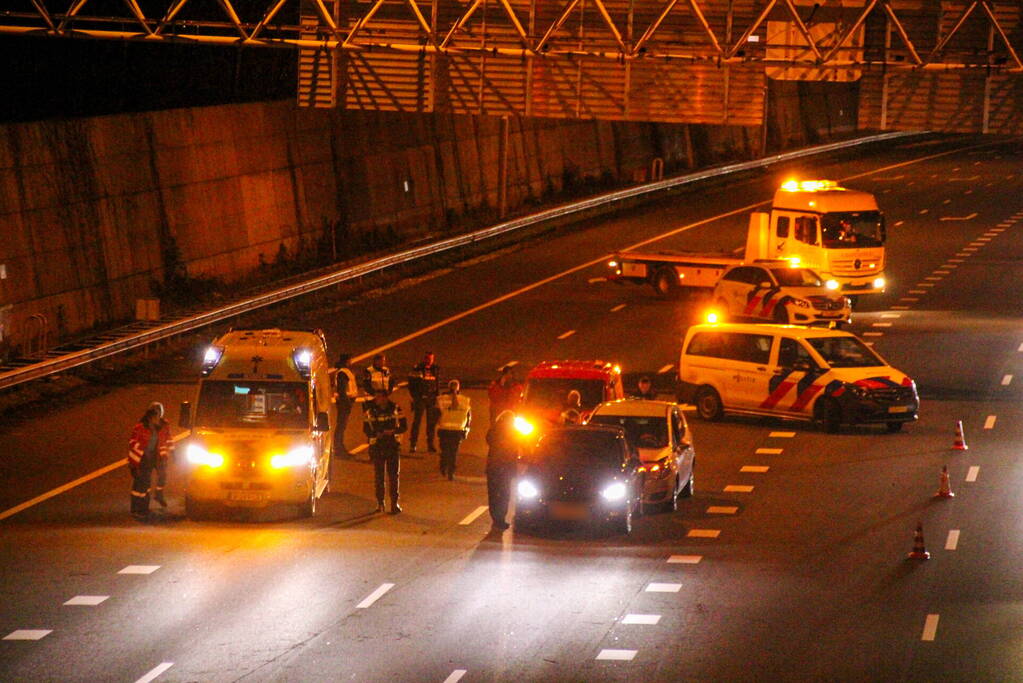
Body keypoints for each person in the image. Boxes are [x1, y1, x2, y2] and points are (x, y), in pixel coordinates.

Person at [363, 389, 407, 514]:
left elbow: (404, 426)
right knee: (379, 477)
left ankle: (394, 504)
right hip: (378, 446)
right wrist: (376, 434)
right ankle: (380, 503)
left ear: (385, 398)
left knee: (393, 476)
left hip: (393, 445)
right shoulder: (370, 411)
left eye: (379, 397)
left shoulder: (395, 409)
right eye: (376, 397)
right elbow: (366, 428)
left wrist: (393, 432)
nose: (377, 400)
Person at [127, 402, 173, 520]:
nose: (157, 418)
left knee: (149, 483)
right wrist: (133, 465)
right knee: (140, 486)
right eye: (155, 416)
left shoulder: (162, 426)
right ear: (150, 416)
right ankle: (136, 509)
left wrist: (172, 452)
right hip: (142, 460)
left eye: (159, 415)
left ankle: (145, 507)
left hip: (155, 458)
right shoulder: (140, 428)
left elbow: (167, 439)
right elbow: (133, 445)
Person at [486, 411, 520, 530]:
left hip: (494, 467)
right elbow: (517, 447)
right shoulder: (512, 432)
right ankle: (500, 518)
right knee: (504, 494)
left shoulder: (494, 430)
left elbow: (489, 441)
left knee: (494, 493)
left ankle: (497, 518)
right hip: (505, 468)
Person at [436, 379, 471, 480]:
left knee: (445, 451)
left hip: (445, 429)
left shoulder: (441, 399)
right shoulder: (464, 400)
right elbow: (468, 416)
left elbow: (435, 414)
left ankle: (444, 467)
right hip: (457, 429)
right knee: (453, 452)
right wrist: (466, 429)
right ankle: (450, 471)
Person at [407, 351, 440, 453]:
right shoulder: (417, 368)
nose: (429, 361)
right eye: (427, 358)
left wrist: (437, 397)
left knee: (431, 423)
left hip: (431, 398)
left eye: (431, 359)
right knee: (417, 422)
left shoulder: (435, 369)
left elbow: (437, 383)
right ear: (424, 359)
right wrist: (414, 397)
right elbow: (411, 384)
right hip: (420, 398)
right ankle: (413, 444)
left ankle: (430, 444)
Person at [330, 353, 358, 458]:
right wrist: (347, 403)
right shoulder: (343, 372)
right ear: (347, 361)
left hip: (345, 401)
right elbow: (342, 390)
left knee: (342, 426)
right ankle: (339, 449)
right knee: (341, 426)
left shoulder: (344, 371)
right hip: (344, 402)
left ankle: (340, 448)